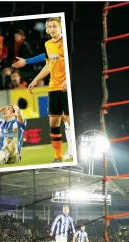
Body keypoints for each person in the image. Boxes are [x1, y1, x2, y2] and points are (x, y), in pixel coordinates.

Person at [27, 17, 74, 162]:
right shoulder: (48, 44)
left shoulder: (66, 43)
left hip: (65, 87)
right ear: (47, 30)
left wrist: (67, 79)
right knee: (53, 122)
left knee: (69, 120)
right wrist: (36, 79)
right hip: (53, 87)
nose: (52, 29)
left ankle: (74, 151)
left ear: (60, 28)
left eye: (54, 26)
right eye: (49, 27)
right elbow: (49, 66)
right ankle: (58, 156)